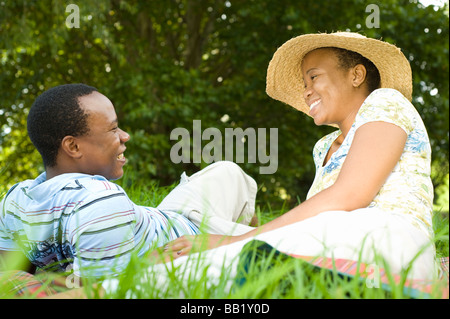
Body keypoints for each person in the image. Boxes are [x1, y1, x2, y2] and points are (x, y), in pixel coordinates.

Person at [164, 32, 437, 280]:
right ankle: (160, 239)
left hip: (390, 240)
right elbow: (315, 219)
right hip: (332, 237)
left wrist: (231, 241)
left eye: (314, 76)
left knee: (228, 251)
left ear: (356, 75)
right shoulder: (323, 148)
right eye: (305, 82)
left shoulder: (385, 100)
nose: (306, 91)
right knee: (198, 236)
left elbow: (351, 196)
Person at [0, 84, 257, 279]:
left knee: (227, 171)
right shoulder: (99, 201)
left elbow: (12, 276)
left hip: (168, 216)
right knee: (276, 228)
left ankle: (248, 220)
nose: (125, 136)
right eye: (113, 129)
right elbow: (98, 291)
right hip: (198, 234)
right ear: (73, 146)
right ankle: (239, 230)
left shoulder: (14, 201)